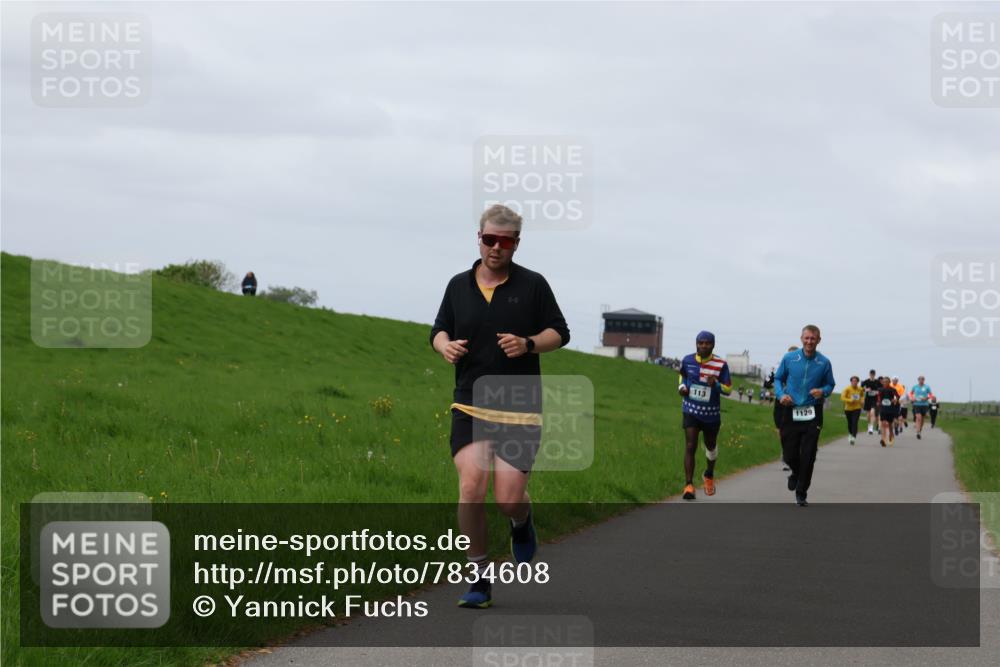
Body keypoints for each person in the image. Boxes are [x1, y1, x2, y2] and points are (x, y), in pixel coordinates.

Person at [430, 204, 570, 609]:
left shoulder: (533, 285)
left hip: (519, 408)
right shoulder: (458, 285)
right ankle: (478, 577)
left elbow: (559, 332)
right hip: (471, 404)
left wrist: (528, 343)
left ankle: (521, 521)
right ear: (479, 238)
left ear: (516, 244)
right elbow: (438, 330)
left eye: (504, 241)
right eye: (489, 239)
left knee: (508, 498)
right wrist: (446, 347)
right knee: (471, 486)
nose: (495, 247)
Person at [774, 326, 835, 507]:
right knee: (789, 453)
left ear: (819, 340)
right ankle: (795, 472)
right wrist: (780, 395)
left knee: (809, 454)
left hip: (812, 412)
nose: (809, 342)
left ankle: (802, 492)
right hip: (791, 409)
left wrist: (822, 391)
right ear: (801, 338)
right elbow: (778, 379)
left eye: (813, 339)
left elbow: (830, 384)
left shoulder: (824, 363)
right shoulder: (789, 358)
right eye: (807, 338)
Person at [677, 331, 733, 500]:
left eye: (707, 343)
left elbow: (729, 389)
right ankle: (688, 485)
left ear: (713, 345)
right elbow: (682, 377)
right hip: (691, 410)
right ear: (696, 344)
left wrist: (716, 384)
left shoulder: (721, 365)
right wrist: (681, 388)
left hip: (711, 415)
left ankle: (709, 474)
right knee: (690, 446)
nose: (703, 346)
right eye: (700, 343)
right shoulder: (687, 360)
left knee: (710, 446)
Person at [774, 346, 799, 472]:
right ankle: (785, 454)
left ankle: (790, 457)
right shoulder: (781, 367)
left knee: (793, 432)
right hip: (780, 403)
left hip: (795, 404)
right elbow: (770, 382)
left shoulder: (801, 369)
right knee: (781, 432)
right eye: (789, 355)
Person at [877, 376, 900, 447]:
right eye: (884, 382)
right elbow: (878, 397)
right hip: (883, 408)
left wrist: (895, 400)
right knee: (883, 423)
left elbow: (897, 396)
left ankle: (891, 437)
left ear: (889, 382)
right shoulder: (880, 389)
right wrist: (878, 402)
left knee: (890, 425)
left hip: (890, 409)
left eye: (886, 381)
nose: (885, 383)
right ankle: (883, 439)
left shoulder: (893, 389)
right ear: (882, 382)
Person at [840, 376, 864, 445]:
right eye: (853, 381)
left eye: (856, 381)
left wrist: (862, 400)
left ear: (857, 382)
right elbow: (842, 397)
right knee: (850, 423)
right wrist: (849, 400)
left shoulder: (860, 389)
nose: (854, 382)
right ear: (851, 382)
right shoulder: (847, 389)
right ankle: (850, 434)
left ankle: (853, 437)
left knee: (855, 422)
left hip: (857, 408)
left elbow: (862, 395)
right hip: (848, 408)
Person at [860, 370, 880, 435]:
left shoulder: (877, 382)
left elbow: (881, 389)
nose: (872, 375)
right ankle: (869, 425)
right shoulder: (866, 381)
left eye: (873, 374)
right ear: (869, 374)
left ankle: (871, 427)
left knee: (872, 412)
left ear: (875, 374)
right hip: (868, 399)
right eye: (871, 374)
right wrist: (866, 390)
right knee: (868, 415)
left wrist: (877, 392)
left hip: (874, 399)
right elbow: (860, 388)